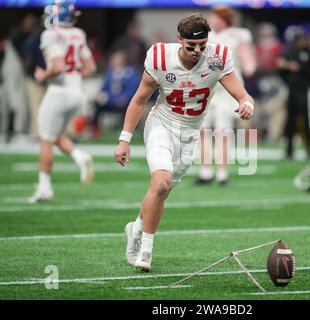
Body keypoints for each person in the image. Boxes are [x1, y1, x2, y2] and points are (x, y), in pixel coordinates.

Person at [114, 13, 255, 272]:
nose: (197, 51)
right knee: (160, 183)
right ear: (179, 40)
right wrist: (125, 139)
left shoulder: (217, 57)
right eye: (191, 46)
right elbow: (138, 99)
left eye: (202, 45)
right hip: (162, 124)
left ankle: (135, 228)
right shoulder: (159, 57)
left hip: (191, 133)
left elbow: (242, 94)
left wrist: (246, 104)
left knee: (162, 192)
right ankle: (145, 249)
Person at [28, 0, 97, 203]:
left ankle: (44, 188)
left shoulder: (50, 34)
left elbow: (57, 66)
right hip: (77, 92)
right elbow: (90, 67)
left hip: (58, 91)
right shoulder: (79, 34)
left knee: (46, 139)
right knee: (55, 134)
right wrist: (74, 75)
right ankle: (79, 156)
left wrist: (43, 74)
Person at [196, 6, 256, 185]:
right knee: (203, 131)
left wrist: (249, 66)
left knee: (223, 131)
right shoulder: (206, 35)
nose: (212, 20)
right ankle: (205, 172)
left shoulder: (237, 35)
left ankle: (222, 173)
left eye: (215, 17)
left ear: (224, 19)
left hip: (228, 89)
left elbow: (248, 61)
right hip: (207, 88)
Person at [277, 26, 310, 161]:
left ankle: (309, 150)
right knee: (289, 121)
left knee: (307, 121)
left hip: (306, 91)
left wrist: (296, 68)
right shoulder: (289, 53)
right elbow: (281, 69)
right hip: (292, 91)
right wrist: (289, 69)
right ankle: (288, 151)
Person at [91, 50, 141, 139]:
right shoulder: (110, 73)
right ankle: (95, 129)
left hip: (124, 101)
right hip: (111, 100)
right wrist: (99, 95)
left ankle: (125, 130)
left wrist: (124, 97)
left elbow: (133, 88)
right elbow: (104, 87)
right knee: (97, 104)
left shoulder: (130, 73)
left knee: (127, 106)